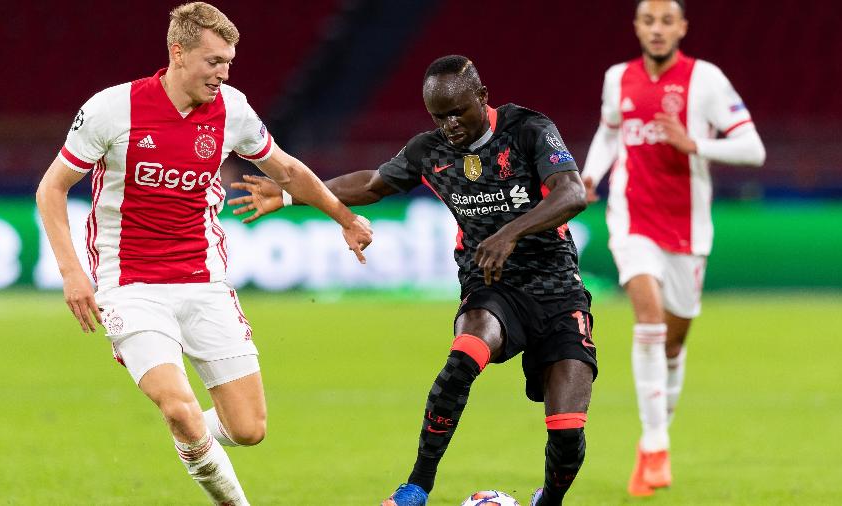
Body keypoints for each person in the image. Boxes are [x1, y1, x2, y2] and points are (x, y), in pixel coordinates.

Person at [35, 3, 372, 504]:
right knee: (177, 406)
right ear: (178, 53)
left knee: (249, 427)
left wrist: (345, 218)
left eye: (229, 62)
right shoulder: (113, 109)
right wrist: (72, 273)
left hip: (203, 282)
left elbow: (287, 170)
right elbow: (51, 190)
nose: (224, 73)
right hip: (129, 287)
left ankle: (193, 441)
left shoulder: (232, 109)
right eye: (214, 61)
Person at [229, 54, 597, 506]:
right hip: (492, 286)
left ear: (483, 97)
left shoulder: (528, 130)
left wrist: (510, 233)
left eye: (458, 112)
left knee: (566, 434)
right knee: (463, 357)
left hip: (557, 290)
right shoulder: (431, 150)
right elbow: (373, 183)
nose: (450, 125)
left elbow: (572, 192)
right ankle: (416, 487)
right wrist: (291, 194)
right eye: (439, 117)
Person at [580, 0, 766, 497]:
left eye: (667, 21)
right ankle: (656, 443)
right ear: (636, 27)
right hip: (631, 219)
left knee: (675, 342)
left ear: (682, 27)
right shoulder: (617, 77)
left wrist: (695, 145)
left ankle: (653, 442)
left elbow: (753, 149)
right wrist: (592, 173)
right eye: (648, 21)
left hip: (688, 230)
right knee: (650, 321)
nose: (657, 30)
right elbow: (609, 131)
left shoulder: (706, 80)